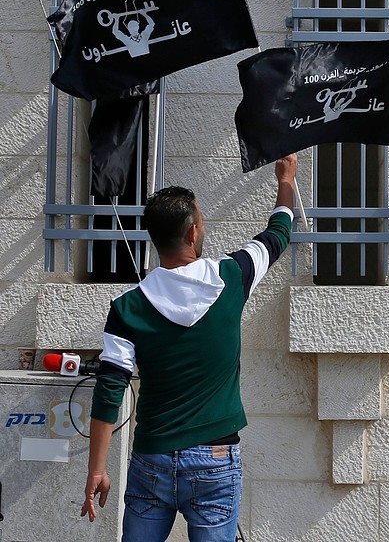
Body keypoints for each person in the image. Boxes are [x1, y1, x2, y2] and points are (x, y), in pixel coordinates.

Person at [81, 154, 298, 542]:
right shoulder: (232, 276)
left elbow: (110, 389)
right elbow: (278, 233)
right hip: (216, 461)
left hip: (152, 459)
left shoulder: (127, 307)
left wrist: (97, 469)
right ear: (193, 232)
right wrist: (286, 179)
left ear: (155, 238)